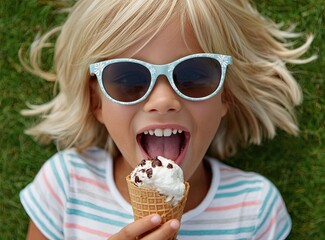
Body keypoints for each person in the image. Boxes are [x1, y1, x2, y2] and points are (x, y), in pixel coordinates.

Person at [19, 0, 315, 239]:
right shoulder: (66, 185)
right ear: (97, 101)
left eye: (194, 75)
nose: (163, 102)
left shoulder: (254, 208)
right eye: (128, 79)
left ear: (225, 94)